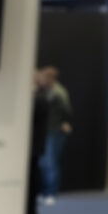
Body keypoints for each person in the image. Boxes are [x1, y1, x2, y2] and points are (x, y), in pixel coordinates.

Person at [33, 68, 73, 204]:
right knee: (42, 163)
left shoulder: (59, 92)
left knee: (51, 162)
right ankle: (43, 192)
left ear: (51, 79)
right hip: (44, 132)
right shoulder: (42, 91)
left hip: (55, 132)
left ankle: (51, 192)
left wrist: (64, 122)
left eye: (44, 78)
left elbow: (67, 111)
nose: (42, 80)